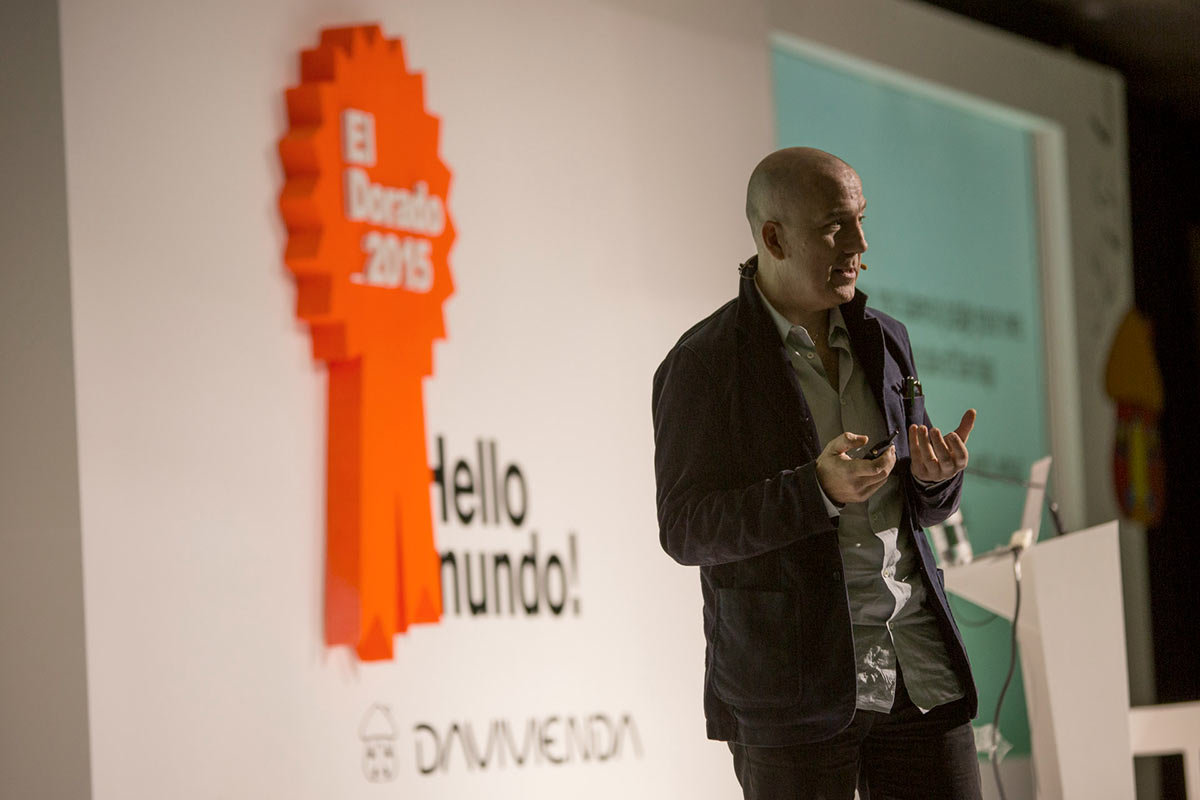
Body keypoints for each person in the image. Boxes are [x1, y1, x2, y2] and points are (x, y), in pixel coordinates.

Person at [652, 147, 983, 799]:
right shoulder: (703, 363)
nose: (860, 243)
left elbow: (917, 508)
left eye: (861, 219)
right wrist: (815, 490)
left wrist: (935, 479)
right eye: (836, 226)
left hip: (918, 671)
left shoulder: (886, 338)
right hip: (794, 694)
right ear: (774, 239)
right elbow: (685, 529)